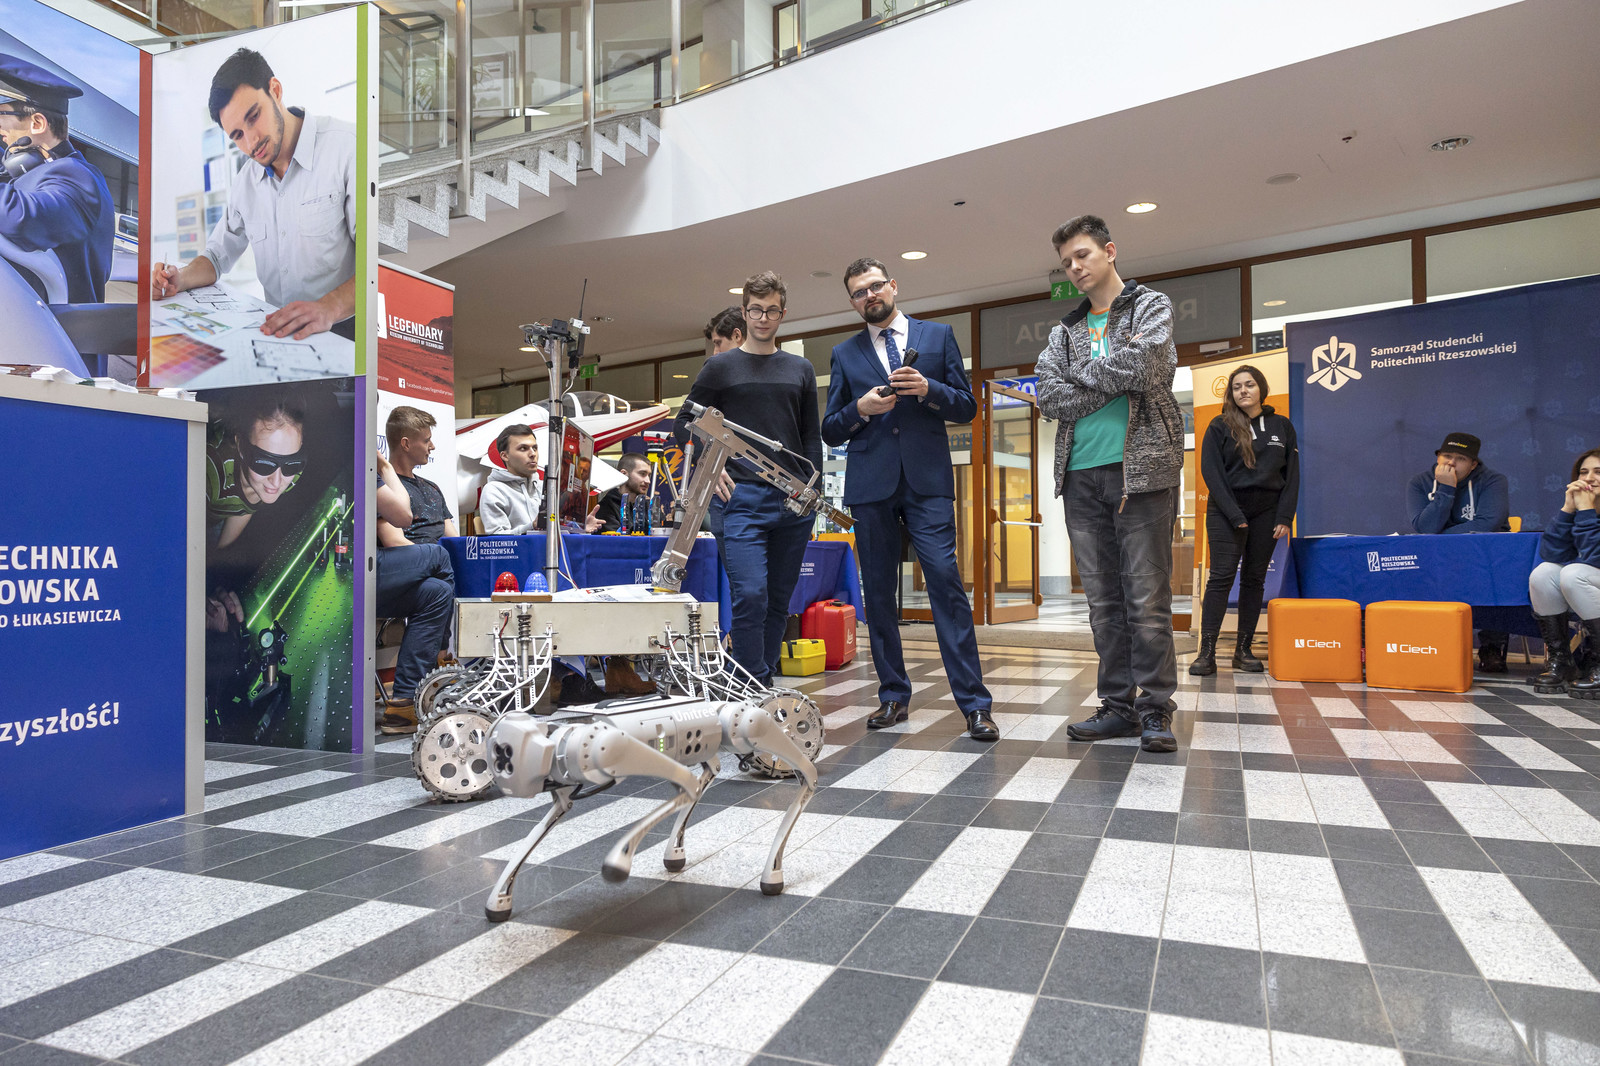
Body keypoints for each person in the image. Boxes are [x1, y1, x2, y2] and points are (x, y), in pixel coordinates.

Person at [821, 257, 997, 741]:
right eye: (859, 292)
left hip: (927, 482)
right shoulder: (844, 353)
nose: (869, 296)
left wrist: (928, 388)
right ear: (853, 302)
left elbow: (967, 406)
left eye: (875, 286)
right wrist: (860, 409)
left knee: (945, 582)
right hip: (870, 486)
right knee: (878, 593)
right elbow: (831, 429)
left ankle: (975, 705)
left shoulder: (937, 336)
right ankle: (893, 697)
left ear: (893, 286)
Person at [1035, 214, 1184, 754]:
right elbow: (1049, 396)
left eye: (1082, 255)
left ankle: (1155, 708)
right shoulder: (1063, 332)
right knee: (1103, 602)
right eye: (1066, 263)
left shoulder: (1150, 306)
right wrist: (1108, 378)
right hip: (1080, 477)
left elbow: (1145, 366)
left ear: (1110, 251)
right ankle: (1118, 706)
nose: (1074, 268)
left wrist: (1079, 376)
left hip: (1141, 472)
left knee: (1147, 598)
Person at [673, 270, 821, 686]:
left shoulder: (801, 369)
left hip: (793, 501)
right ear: (744, 312)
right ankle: (750, 684)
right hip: (739, 499)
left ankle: (762, 682)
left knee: (777, 600)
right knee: (751, 594)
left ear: (782, 314)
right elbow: (684, 423)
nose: (763, 318)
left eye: (771, 310)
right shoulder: (720, 367)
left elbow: (811, 436)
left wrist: (813, 490)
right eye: (756, 310)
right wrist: (711, 460)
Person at [150, 48, 356, 341]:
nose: (251, 141)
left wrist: (329, 307)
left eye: (254, 116)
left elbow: (376, 263)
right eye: (237, 135)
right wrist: (178, 278)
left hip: (346, 334)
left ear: (276, 90)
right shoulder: (245, 182)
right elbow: (215, 258)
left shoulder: (347, 149)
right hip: (280, 336)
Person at [1192, 365, 1299, 676]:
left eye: (1249, 385)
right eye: (1237, 387)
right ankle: (1206, 653)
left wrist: (1285, 516)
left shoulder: (1282, 425)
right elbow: (1212, 473)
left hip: (1268, 513)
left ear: (1261, 388)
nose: (1243, 391)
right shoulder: (1219, 425)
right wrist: (1235, 515)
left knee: (1254, 580)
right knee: (1221, 577)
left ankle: (1243, 650)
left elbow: (1292, 475)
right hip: (1227, 511)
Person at [0, 55, 114, 304]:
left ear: (37, 123)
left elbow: (22, 219)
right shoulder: (37, 170)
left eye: (2, 113)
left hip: (51, 325)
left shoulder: (77, 175)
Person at [376, 406, 457, 735]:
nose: (432, 446)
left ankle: (403, 704)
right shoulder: (382, 485)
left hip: (431, 577)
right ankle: (442, 660)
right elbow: (393, 540)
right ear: (406, 443)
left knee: (439, 590)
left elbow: (455, 541)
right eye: (426, 440)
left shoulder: (433, 489)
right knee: (440, 558)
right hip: (393, 573)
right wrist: (433, 560)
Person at [1406, 431, 1512, 671]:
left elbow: (1487, 523)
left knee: (1497, 571)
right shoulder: (1419, 483)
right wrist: (1446, 489)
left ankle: (1492, 646)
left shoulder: (1493, 480)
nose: (1451, 463)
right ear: (1438, 457)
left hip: (1483, 554)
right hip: (1438, 557)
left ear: (1474, 464)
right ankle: (1430, 642)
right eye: (1446, 456)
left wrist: (1438, 538)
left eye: (1460, 458)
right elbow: (1424, 527)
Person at [1527, 448, 1600, 697]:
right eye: (1583, 472)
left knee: (1574, 574)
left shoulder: (1587, 510)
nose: (1589, 478)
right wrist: (1568, 509)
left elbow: (1595, 558)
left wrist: (1587, 511)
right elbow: (1551, 553)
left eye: (1598, 472)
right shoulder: (1582, 508)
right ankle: (1562, 662)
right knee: (1543, 574)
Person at [206, 390, 305, 549]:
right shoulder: (210, 471)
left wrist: (220, 554)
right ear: (241, 446)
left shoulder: (292, 474)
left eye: (290, 463)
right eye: (264, 463)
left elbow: (245, 504)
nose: (276, 481)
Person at [479, 424, 543, 535]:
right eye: (523, 448)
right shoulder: (494, 491)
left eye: (535, 448)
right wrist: (532, 527)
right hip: (522, 547)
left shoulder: (545, 487)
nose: (533, 454)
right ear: (505, 456)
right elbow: (497, 539)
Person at [586, 452, 652, 533]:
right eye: (642, 474)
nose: (648, 481)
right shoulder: (606, 508)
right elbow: (619, 539)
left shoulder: (646, 506)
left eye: (649, 475)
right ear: (623, 474)